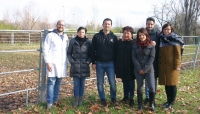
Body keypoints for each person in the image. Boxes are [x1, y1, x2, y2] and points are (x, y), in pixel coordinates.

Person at [91, 18, 118, 106]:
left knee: (112, 82)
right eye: (105, 24)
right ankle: (103, 99)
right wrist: (93, 62)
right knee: (100, 83)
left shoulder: (114, 37)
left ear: (111, 25)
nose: (107, 25)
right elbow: (92, 50)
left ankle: (113, 98)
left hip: (111, 63)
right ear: (102, 25)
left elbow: (117, 51)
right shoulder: (96, 36)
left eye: (109, 24)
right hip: (99, 63)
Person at [43, 20, 69, 109]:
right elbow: (45, 49)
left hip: (62, 64)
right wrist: (47, 62)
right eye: (60, 24)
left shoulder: (65, 36)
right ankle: (49, 103)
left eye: (63, 25)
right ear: (56, 25)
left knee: (58, 83)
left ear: (64, 26)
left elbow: (66, 51)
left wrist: (67, 63)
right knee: (51, 83)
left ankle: (55, 100)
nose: (61, 26)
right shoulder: (50, 35)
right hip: (52, 64)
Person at [158, 23, 184, 110]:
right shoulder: (161, 39)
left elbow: (178, 54)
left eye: (168, 29)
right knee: (166, 83)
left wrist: (177, 65)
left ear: (171, 30)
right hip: (163, 65)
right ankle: (168, 100)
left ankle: (171, 102)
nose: (166, 31)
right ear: (163, 30)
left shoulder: (175, 40)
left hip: (172, 66)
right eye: (165, 29)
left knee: (172, 84)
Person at [132, 28, 155, 111]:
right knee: (140, 87)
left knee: (152, 87)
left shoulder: (151, 45)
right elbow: (134, 57)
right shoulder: (135, 45)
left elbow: (152, 58)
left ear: (146, 35)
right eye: (140, 35)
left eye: (143, 35)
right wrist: (139, 68)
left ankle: (151, 104)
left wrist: (144, 69)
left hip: (149, 70)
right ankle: (140, 104)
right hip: (138, 70)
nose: (141, 37)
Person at [67, 27, 91, 108]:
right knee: (76, 84)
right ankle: (76, 101)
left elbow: (91, 54)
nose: (81, 33)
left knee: (82, 84)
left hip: (84, 66)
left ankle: (80, 100)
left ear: (85, 33)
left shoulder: (88, 42)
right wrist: (72, 61)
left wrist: (88, 61)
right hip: (75, 66)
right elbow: (69, 53)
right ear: (77, 33)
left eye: (83, 32)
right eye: (80, 32)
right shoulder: (73, 41)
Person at [115, 26, 135, 106]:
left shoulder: (134, 43)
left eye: (128, 33)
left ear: (131, 34)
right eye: (125, 33)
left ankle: (131, 98)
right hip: (122, 65)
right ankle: (125, 96)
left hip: (131, 66)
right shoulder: (120, 42)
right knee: (124, 81)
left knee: (130, 82)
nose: (126, 35)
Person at [144, 17, 160, 105]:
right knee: (146, 80)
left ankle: (152, 98)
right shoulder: (143, 32)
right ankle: (147, 97)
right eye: (148, 24)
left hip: (154, 60)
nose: (150, 25)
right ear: (146, 24)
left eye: (151, 24)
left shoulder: (158, 34)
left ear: (154, 25)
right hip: (144, 61)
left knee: (153, 80)